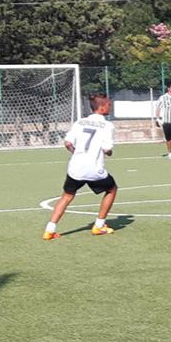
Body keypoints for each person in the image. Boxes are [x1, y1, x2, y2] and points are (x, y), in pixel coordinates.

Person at [44, 93, 118, 240]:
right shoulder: (108, 125)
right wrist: (109, 153)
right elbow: (107, 148)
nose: (110, 106)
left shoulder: (80, 122)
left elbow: (68, 143)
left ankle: (49, 230)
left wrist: (76, 154)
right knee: (112, 189)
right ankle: (99, 225)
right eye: (108, 104)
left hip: (75, 168)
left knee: (66, 196)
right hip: (94, 169)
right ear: (102, 107)